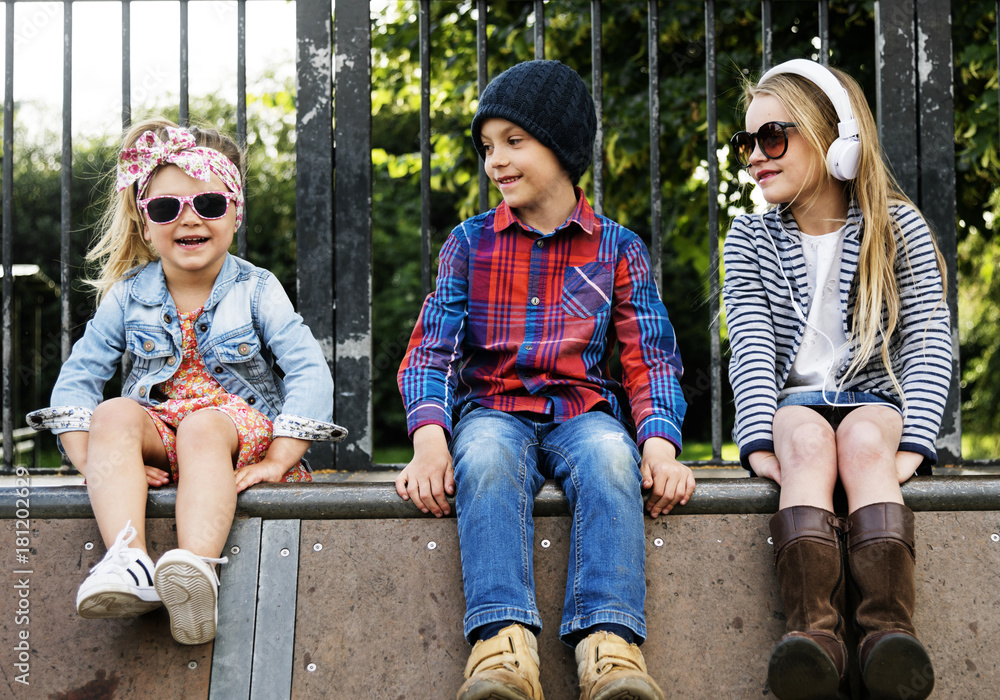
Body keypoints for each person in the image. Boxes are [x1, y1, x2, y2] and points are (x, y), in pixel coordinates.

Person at [396, 60, 693, 700]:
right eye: (487, 147)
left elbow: (651, 356)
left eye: (514, 142)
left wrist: (660, 445)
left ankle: (610, 650)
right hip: (494, 409)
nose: (495, 161)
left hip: (583, 410)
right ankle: (502, 650)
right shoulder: (468, 245)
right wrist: (428, 438)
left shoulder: (618, 247)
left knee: (614, 459)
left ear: (560, 147)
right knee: (488, 460)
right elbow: (433, 351)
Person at [27, 119, 346, 646]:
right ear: (146, 223)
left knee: (201, 427)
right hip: (164, 430)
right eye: (166, 208)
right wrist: (92, 459)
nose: (189, 219)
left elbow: (307, 366)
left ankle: (196, 571)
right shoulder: (129, 294)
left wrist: (281, 457)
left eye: (210, 205)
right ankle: (127, 560)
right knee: (112, 413)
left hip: (232, 429)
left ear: (235, 213)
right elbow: (81, 374)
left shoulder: (257, 288)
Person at [723, 59, 951, 700]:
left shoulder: (894, 227)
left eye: (772, 138)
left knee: (863, 443)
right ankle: (813, 636)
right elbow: (751, 343)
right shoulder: (748, 238)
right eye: (746, 144)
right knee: (804, 442)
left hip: (872, 398)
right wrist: (758, 438)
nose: (755, 157)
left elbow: (928, 340)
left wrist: (915, 441)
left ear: (837, 139)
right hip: (796, 401)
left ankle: (887, 634)